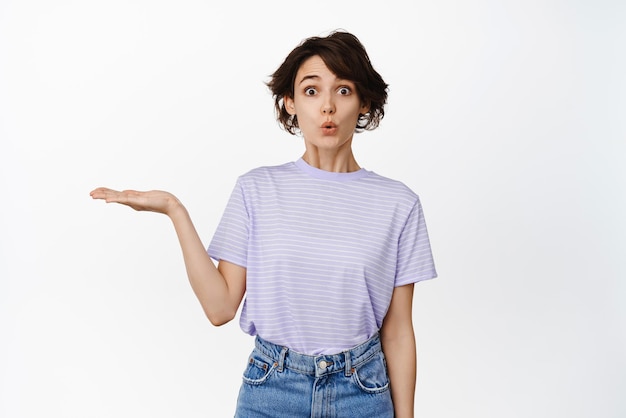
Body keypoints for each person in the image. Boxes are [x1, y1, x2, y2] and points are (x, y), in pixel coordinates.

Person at [91, 30, 437, 418]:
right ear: (289, 103)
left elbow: (398, 331)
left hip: (362, 393)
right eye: (311, 91)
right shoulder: (256, 190)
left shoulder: (398, 204)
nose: (327, 106)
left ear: (363, 103)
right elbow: (220, 307)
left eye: (343, 90)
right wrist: (175, 210)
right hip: (273, 389)